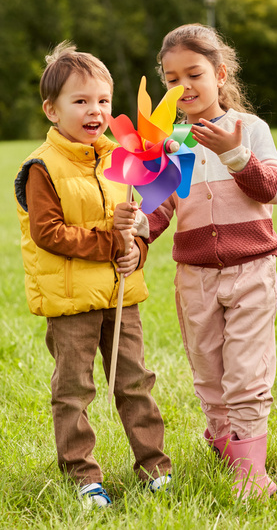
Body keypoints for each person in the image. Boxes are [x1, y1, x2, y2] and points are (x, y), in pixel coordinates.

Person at [116, 24, 277, 498]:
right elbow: (162, 207)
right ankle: (223, 439)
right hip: (195, 275)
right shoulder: (168, 142)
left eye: (194, 74)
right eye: (171, 79)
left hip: (251, 269)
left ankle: (251, 474)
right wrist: (138, 230)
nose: (182, 87)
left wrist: (234, 154)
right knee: (209, 371)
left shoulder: (249, 130)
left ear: (220, 72)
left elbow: (272, 189)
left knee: (246, 373)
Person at [14, 42, 171, 508]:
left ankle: (154, 467)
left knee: (134, 382)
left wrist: (136, 251)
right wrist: (109, 245)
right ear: (52, 109)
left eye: (103, 100)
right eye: (80, 101)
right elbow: (48, 233)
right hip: (71, 303)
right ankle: (83, 475)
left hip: (121, 293)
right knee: (74, 389)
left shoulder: (124, 161)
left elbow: (138, 220)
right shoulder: (42, 167)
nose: (95, 110)